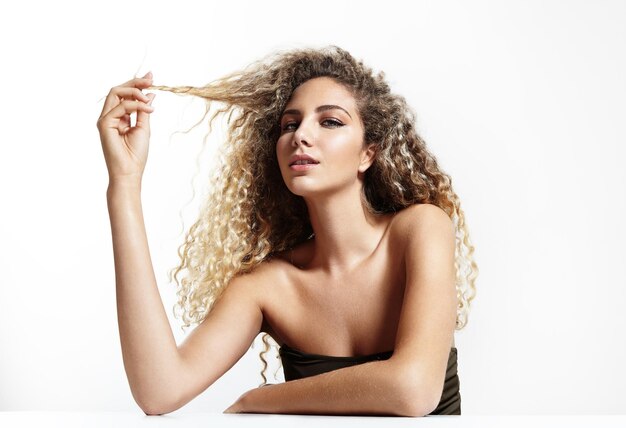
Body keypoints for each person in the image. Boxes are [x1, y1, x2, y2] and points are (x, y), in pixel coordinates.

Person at [96, 45, 478, 417]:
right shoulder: (266, 285)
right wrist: (125, 182)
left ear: (368, 153)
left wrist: (258, 399)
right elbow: (160, 390)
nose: (300, 135)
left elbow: (414, 390)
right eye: (289, 125)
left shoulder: (420, 228)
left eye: (330, 121)